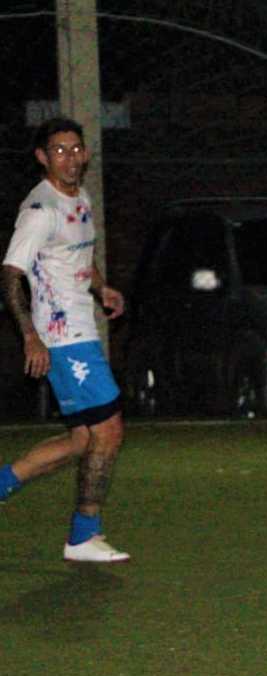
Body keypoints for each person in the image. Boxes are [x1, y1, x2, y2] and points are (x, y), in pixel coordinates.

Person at [1, 117, 129, 562]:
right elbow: (11, 274)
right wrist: (31, 337)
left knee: (81, 440)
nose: (70, 158)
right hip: (62, 338)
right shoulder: (41, 210)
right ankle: (83, 535)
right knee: (109, 429)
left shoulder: (80, 197)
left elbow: (78, 254)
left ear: (86, 153)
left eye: (76, 149)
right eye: (59, 150)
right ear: (42, 156)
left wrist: (100, 287)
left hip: (81, 330)